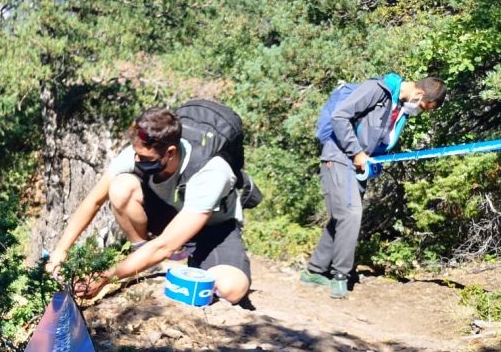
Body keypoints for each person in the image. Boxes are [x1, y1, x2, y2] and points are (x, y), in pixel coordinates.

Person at [45, 106, 252, 304]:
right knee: (120, 187)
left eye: (145, 158)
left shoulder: (211, 172)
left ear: (170, 152)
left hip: (212, 229)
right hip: (168, 214)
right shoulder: (139, 152)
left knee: (231, 288)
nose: (136, 159)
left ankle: (191, 263)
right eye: (136, 153)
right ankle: (143, 256)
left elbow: (164, 246)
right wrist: (59, 252)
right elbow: (93, 201)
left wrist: (104, 277)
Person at [302, 74, 447, 298]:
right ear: (419, 95)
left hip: (357, 164)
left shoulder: (398, 107)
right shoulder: (376, 90)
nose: (421, 112)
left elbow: (379, 140)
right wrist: (356, 152)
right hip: (339, 157)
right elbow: (340, 117)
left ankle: (314, 271)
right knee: (350, 214)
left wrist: (372, 162)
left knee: (342, 216)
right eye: (425, 108)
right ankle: (340, 276)